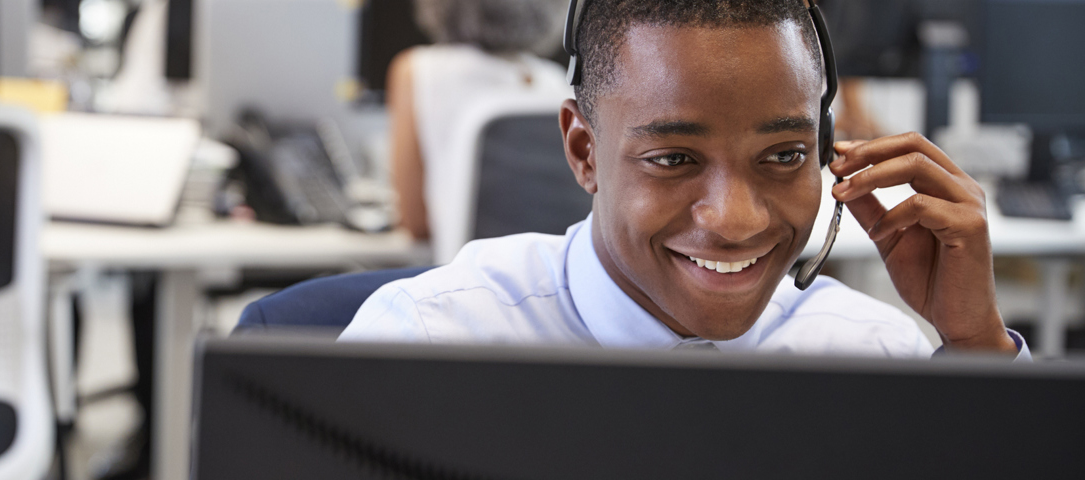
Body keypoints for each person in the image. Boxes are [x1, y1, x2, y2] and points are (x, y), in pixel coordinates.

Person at [342, 0, 1027, 360]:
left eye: (784, 155)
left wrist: (976, 349)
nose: (733, 220)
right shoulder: (428, 345)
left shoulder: (874, 354)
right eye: (673, 159)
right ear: (584, 152)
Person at [388, 0, 572, 245]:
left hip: (463, 274)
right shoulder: (555, 80)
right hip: (546, 273)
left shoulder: (418, 69)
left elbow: (416, 223)